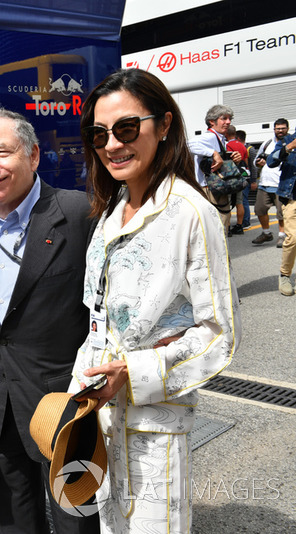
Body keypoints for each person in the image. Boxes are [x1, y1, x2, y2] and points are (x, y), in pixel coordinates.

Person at [73, 69, 240, 533]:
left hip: (153, 423)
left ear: (164, 125)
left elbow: (219, 333)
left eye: (127, 128)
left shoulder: (190, 212)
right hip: (98, 415)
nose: (111, 144)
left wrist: (134, 373)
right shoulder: (111, 210)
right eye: (98, 133)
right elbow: (99, 319)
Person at [0, 108, 98, 534]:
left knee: (76, 517)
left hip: (63, 397)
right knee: (14, 517)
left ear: (34, 156)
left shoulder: (78, 212)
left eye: (2, 152)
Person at [188, 104, 243, 235]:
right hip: (210, 189)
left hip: (215, 188)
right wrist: (213, 152)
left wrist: (233, 158)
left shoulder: (220, 139)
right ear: (212, 122)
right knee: (219, 227)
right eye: (224, 118)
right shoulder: (210, 137)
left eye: (230, 119)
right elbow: (188, 144)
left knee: (220, 226)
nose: (228, 122)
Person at [268, 128, 296, 295]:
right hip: (292, 198)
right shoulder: (287, 139)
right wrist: (289, 146)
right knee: (293, 238)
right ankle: (284, 275)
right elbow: (271, 161)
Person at [252, 119, 289, 247]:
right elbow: (255, 160)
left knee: (281, 213)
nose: (280, 131)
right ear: (274, 129)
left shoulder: (291, 143)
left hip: (281, 184)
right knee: (259, 209)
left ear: (288, 129)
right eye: (278, 128)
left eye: (283, 128)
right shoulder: (267, 143)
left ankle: (282, 236)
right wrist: (258, 163)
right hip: (264, 183)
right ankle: (266, 233)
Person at [225, 125, 248, 235]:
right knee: (239, 202)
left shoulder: (227, 145)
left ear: (226, 134)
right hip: (240, 176)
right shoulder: (243, 146)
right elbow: (246, 163)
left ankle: (228, 227)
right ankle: (239, 226)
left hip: (229, 177)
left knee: (227, 203)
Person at [238, 129, 256, 229]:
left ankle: (246, 222)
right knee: (241, 200)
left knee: (244, 200)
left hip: (247, 179)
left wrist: (253, 181)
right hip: (241, 179)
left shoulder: (250, 149)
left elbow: (254, 166)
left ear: (238, 138)